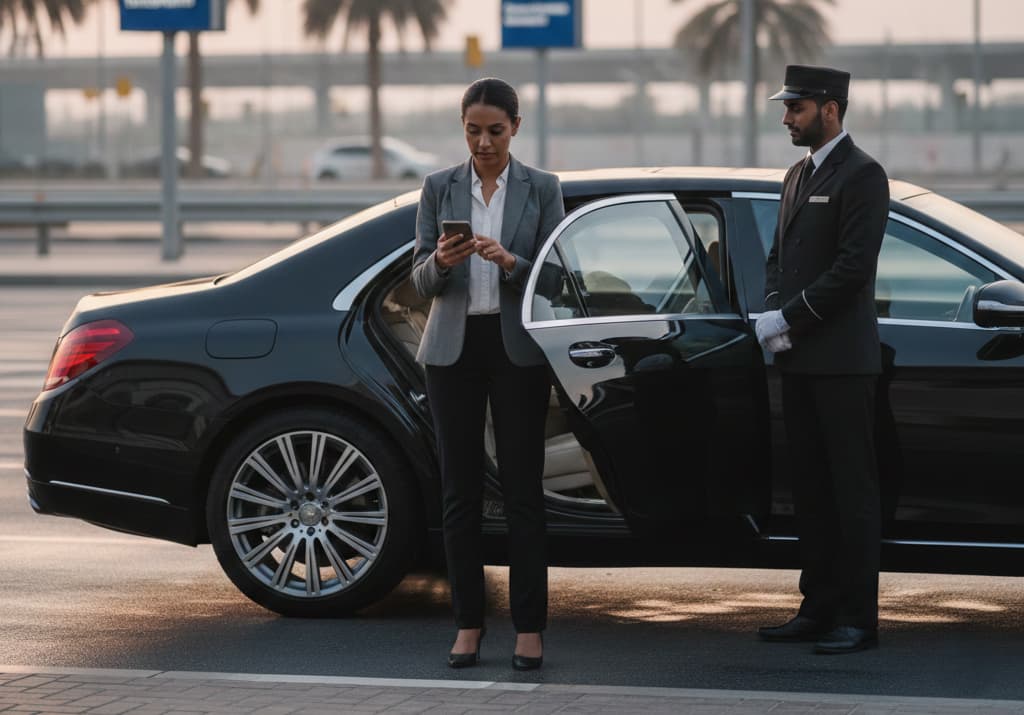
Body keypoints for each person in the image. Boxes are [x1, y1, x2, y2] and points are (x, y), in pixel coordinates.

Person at [411, 77, 564, 671]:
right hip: (452, 351)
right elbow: (418, 281)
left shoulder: (543, 189)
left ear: (515, 128)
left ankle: (530, 629)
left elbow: (555, 279)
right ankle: (468, 625)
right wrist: (440, 263)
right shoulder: (437, 187)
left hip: (516, 351)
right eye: (472, 130)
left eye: (494, 131)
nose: (482, 142)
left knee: (524, 492)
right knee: (460, 495)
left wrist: (510, 262)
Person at [755, 65, 890, 655]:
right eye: (787, 108)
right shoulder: (796, 174)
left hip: (842, 363)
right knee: (810, 492)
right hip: (800, 362)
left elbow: (853, 269)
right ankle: (818, 607)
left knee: (851, 495)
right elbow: (777, 259)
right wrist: (769, 314)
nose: (786, 117)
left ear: (830, 109)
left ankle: (857, 618)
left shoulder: (863, 174)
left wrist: (790, 316)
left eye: (797, 108)